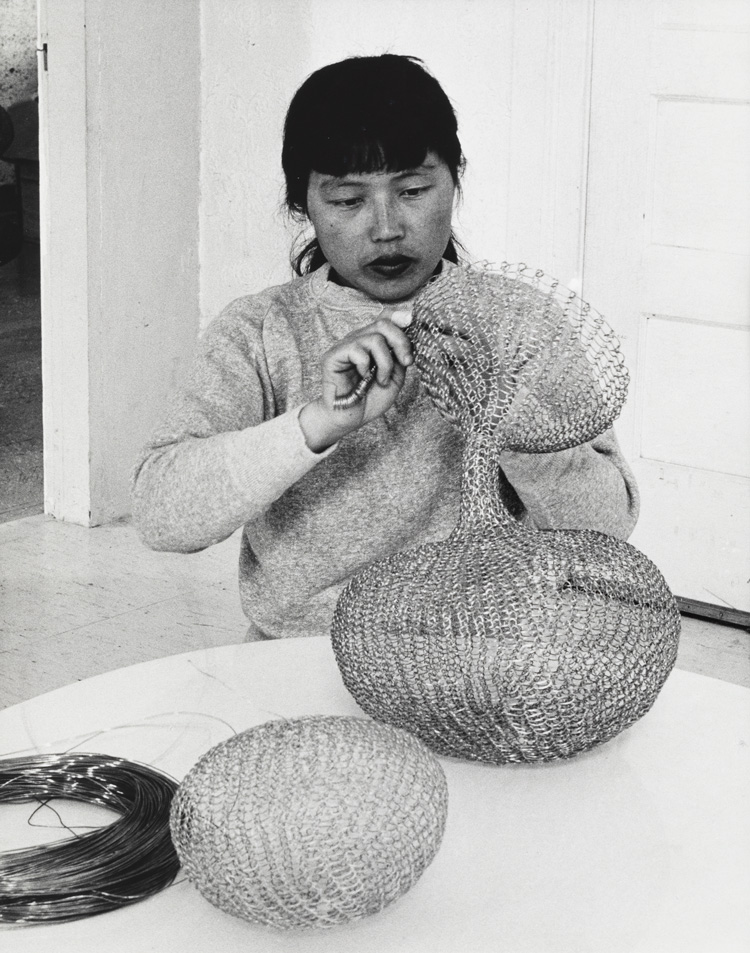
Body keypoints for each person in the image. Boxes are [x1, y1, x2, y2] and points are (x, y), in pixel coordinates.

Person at [131, 54, 639, 641]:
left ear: (456, 180)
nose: (386, 228)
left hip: (490, 652)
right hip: (302, 654)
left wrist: (510, 421)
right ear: (303, 204)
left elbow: (607, 529)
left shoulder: (521, 320)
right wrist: (321, 421)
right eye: (348, 201)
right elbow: (161, 515)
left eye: (414, 189)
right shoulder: (261, 331)